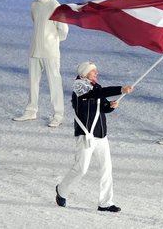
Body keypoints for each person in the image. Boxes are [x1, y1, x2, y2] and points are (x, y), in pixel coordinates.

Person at [55, 62, 133, 212]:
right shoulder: (79, 86)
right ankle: (61, 190)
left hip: (101, 135)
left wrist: (110, 106)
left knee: (106, 168)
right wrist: (120, 89)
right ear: (84, 73)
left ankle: (105, 202)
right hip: (85, 135)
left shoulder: (96, 86)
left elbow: (102, 106)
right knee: (81, 169)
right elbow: (95, 94)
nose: (96, 73)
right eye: (93, 71)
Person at [13, 0, 69, 127]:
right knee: (33, 82)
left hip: (50, 51)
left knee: (54, 82)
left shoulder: (55, 6)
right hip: (35, 49)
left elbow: (63, 29)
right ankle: (31, 110)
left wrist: (53, 41)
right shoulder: (34, 5)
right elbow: (36, 22)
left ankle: (58, 114)